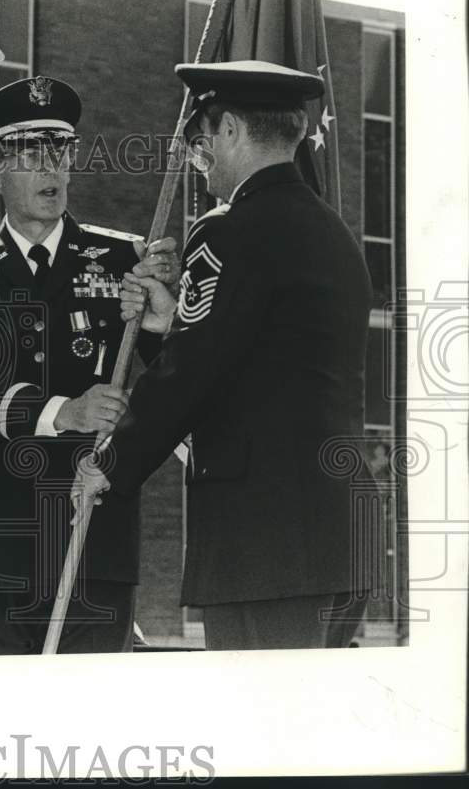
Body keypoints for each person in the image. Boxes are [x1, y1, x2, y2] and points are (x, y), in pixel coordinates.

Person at [78, 60, 377, 650]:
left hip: (263, 545)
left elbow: (195, 375)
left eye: (200, 141)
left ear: (232, 130)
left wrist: (112, 466)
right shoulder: (331, 231)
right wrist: (170, 324)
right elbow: (253, 362)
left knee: (258, 729)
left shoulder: (229, 228)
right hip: (337, 536)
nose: (198, 158)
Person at [0, 76, 177, 655]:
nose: (51, 169)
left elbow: (176, 386)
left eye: (59, 152)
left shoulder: (125, 259)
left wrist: (164, 322)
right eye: (30, 154)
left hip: (93, 539)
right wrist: (63, 411)